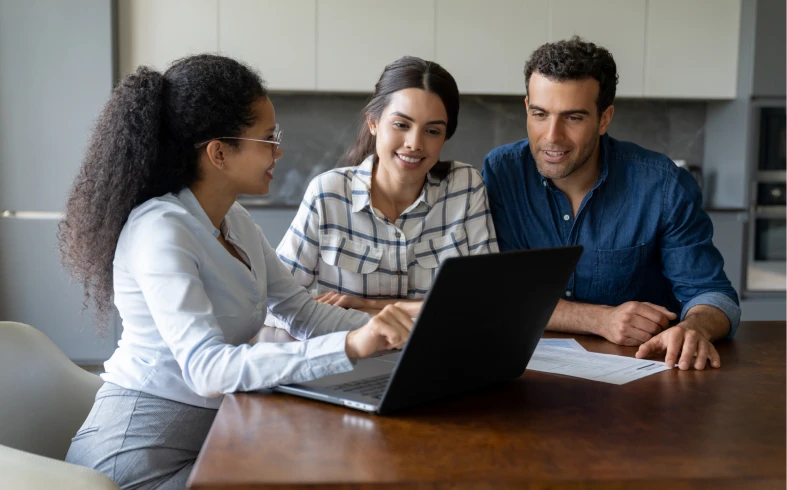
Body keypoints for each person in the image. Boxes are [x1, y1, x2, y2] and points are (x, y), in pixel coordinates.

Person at [57, 54, 417, 489]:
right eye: (268, 138)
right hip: (131, 461)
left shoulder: (235, 221)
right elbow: (207, 370)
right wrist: (353, 345)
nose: (279, 151)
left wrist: (396, 333)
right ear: (219, 153)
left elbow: (302, 312)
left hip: (207, 443)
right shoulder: (160, 230)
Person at [482, 37, 740, 371]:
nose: (552, 136)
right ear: (527, 106)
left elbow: (713, 294)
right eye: (540, 114)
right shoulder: (502, 173)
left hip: (643, 376)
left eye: (573, 117)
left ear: (605, 119)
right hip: (528, 377)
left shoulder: (662, 185)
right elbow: (502, 295)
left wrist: (694, 328)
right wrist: (599, 319)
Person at [267, 56, 497, 322]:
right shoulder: (328, 193)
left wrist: (370, 305)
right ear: (373, 123)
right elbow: (276, 303)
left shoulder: (465, 187)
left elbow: (488, 301)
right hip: (350, 357)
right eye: (401, 125)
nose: (414, 143)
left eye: (432, 131)